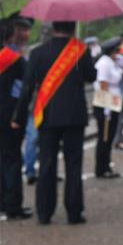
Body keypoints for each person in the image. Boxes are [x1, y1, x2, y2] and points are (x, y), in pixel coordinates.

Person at [13, 21, 96, 225]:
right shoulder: (80, 50)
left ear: (53, 28)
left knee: (47, 164)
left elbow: (27, 87)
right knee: (73, 165)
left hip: (47, 115)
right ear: (73, 28)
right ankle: (74, 213)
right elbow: (92, 76)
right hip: (75, 116)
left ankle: (44, 213)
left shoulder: (38, 53)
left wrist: (18, 117)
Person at [0, 14, 34, 220]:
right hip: (10, 116)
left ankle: (3, 202)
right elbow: (28, 86)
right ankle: (13, 206)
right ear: (12, 35)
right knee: (13, 159)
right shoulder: (15, 60)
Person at [93, 37, 123, 179]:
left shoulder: (112, 62)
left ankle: (106, 165)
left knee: (110, 136)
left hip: (113, 101)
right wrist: (106, 106)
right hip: (106, 103)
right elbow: (103, 83)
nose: (118, 53)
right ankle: (102, 168)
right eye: (117, 51)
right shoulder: (104, 63)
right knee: (104, 136)